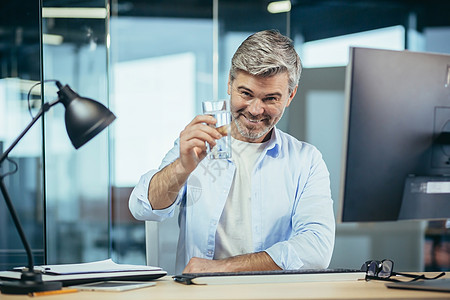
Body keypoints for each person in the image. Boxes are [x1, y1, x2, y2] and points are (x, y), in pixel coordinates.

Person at [129, 29, 335, 275]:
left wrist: (222, 268)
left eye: (270, 98)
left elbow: (316, 249)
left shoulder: (306, 161)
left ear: (290, 95)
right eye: (246, 94)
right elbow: (143, 207)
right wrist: (181, 168)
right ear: (229, 83)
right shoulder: (197, 144)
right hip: (201, 295)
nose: (256, 109)